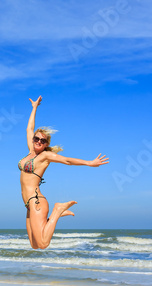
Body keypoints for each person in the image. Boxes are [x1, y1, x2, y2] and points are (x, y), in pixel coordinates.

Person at [19, 96, 109, 249]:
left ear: (47, 144)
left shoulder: (45, 156)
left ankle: (57, 210)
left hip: (36, 201)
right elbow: (29, 129)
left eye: (43, 140)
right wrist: (34, 108)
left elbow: (67, 160)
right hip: (28, 204)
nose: (39, 141)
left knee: (43, 244)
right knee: (34, 245)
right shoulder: (30, 151)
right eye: (37, 139)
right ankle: (57, 215)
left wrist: (89, 163)